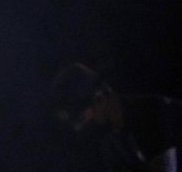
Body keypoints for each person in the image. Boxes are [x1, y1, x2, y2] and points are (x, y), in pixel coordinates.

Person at [49, 62, 182, 171]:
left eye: (79, 118)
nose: (77, 128)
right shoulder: (112, 143)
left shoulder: (152, 112)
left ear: (99, 99)